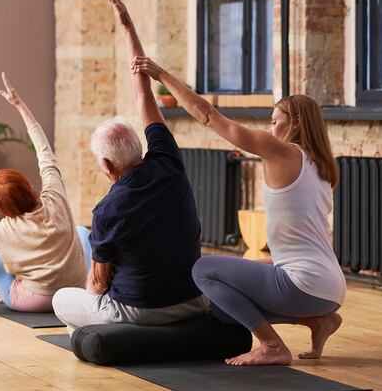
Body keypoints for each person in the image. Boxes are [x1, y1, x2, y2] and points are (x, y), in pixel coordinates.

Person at [132, 50, 345, 367]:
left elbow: (209, 117)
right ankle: (317, 322)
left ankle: (272, 345)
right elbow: (302, 236)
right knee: (221, 304)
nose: (270, 130)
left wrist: (161, 75)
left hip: (304, 286)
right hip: (330, 290)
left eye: (275, 122)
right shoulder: (323, 167)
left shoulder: (282, 151)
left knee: (203, 271)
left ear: (296, 122)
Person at [52, 0, 209, 332]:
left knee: (63, 300)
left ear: (107, 166)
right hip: (195, 301)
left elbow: (97, 286)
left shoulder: (109, 209)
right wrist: (127, 26)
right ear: (138, 149)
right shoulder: (168, 161)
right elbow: (144, 92)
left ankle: (101, 343)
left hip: (141, 312)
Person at [0, 73, 90, 313]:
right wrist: (19, 104)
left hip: (35, 301)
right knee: (81, 231)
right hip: (76, 290)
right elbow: (44, 151)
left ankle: (8, 290)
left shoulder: (2, 230)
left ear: (0, 207)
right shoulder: (55, 196)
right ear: (27, 185)